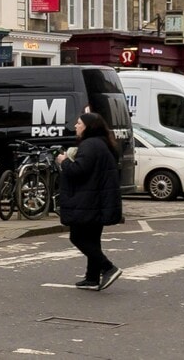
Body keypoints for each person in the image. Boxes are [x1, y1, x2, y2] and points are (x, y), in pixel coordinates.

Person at [56, 110, 124, 290]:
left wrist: (63, 161)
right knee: (93, 239)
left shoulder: (90, 145)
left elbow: (78, 170)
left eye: (79, 123)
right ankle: (92, 278)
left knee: (77, 237)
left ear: (88, 127)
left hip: (88, 200)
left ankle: (108, 267)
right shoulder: (103, 144)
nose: (76, 126)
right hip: (98, 200)